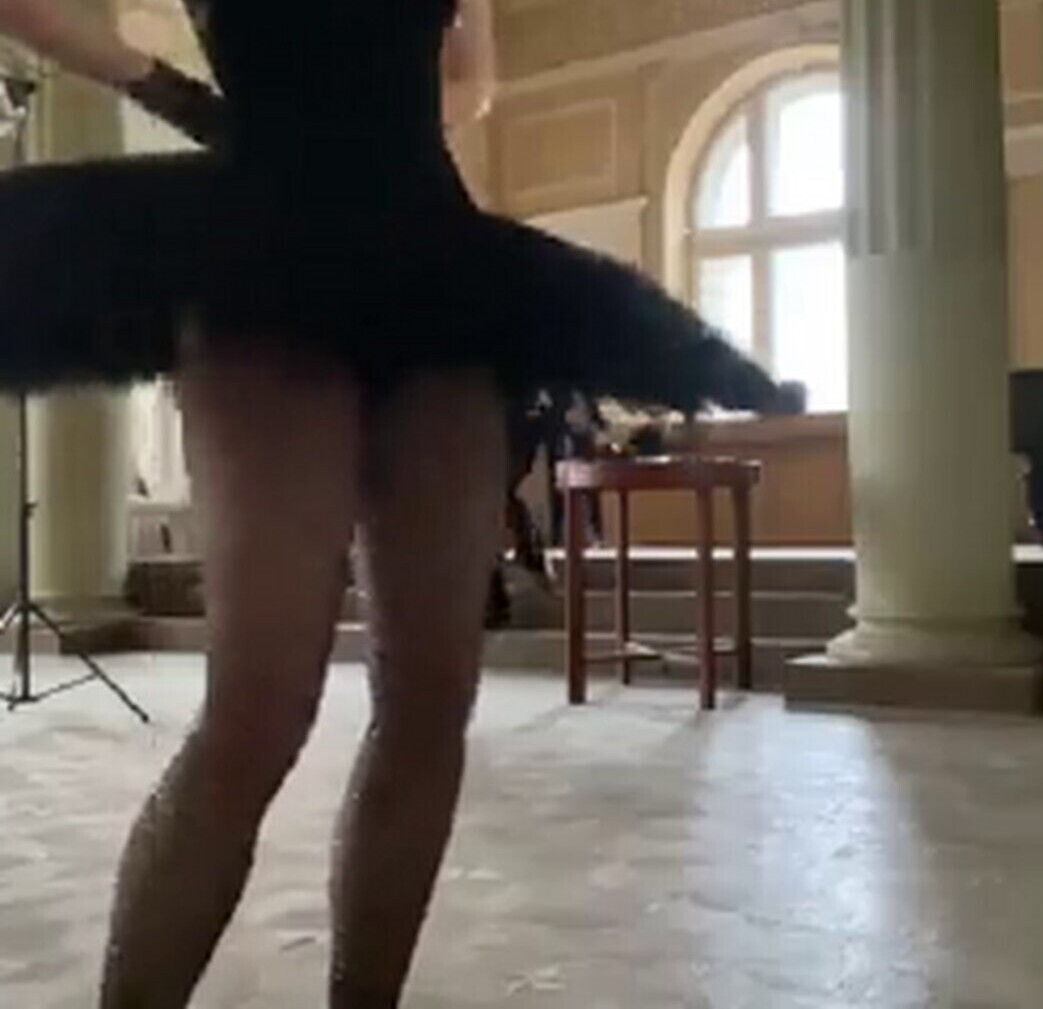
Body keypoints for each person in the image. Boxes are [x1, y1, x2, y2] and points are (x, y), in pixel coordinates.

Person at [0, 2, 793, 1006]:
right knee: (257, 712)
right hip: (267, 258)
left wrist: (369, 123)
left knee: (429, 701)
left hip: (431, 258)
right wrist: (176, 94)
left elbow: (472, 78)